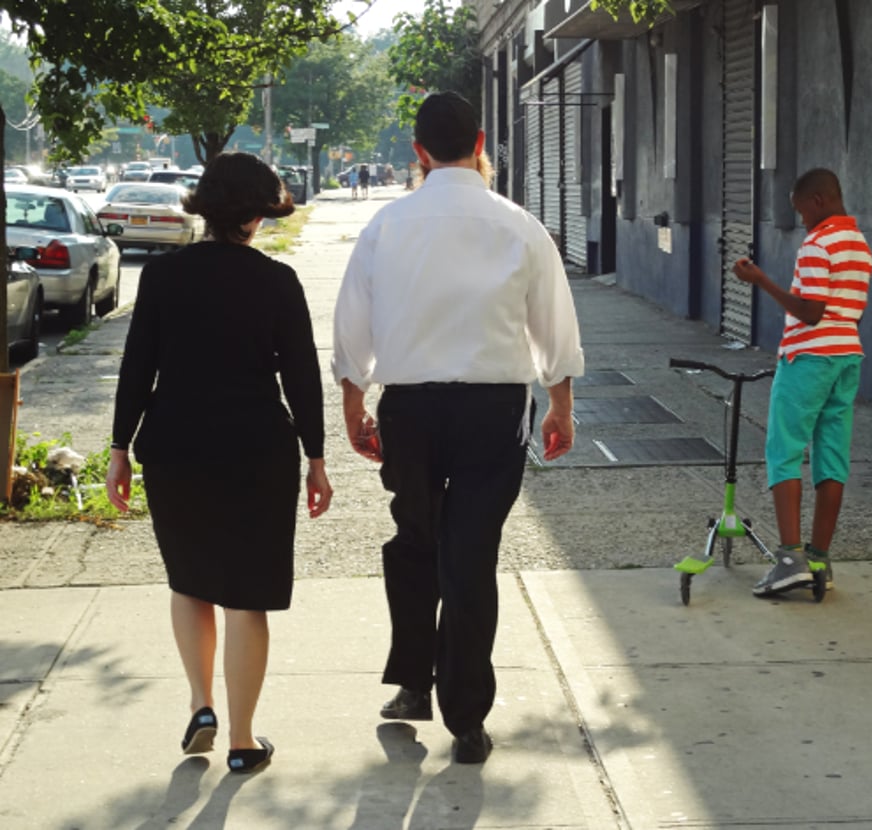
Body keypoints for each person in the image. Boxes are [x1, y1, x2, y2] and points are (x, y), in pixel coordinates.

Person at [332, 91, 583, 765]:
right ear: (480, 143)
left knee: (415, 541)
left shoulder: (388, 225)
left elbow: (352, 322)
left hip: (409, 408)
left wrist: (353, 401)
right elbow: (553, 324)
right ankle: (466, 719)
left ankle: (414, 684)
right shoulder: (519, 224)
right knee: (470, 555)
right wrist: (560, 403)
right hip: (492, 411)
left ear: (418, 152)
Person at [106, 151, 333, 774]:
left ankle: (201, 703)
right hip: (257, 449)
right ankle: (241, 739)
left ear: (203, 208)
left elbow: (137, 366)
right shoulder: (277, 281)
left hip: (176, 446)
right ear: (258, 213)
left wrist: (120, 447)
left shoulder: (163, 278)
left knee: (190, 581)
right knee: (246, 596)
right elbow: (303, 378)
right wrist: (316, 457)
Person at [731, 168, 872, 597]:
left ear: (818, 201)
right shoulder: (860, 245)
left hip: (809, 357)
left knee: (785, 450)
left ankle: (790, 559)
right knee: (832, 456)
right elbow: (851, 311)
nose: (803, 222)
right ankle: (819, 560)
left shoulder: (818, 243)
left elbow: (811, 312)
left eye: (801, 212)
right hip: (847, 355)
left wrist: (761, 282)